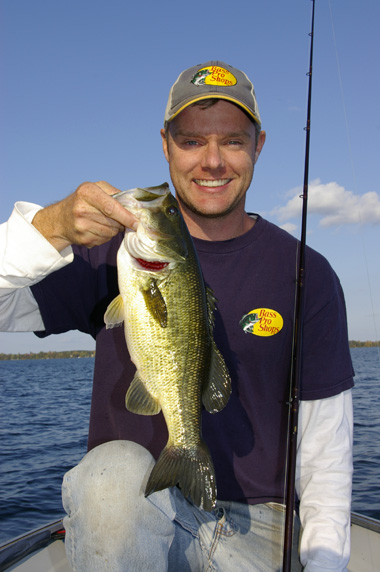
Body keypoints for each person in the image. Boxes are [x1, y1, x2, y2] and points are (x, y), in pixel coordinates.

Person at [0, 61, 354, 571]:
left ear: (259, 146)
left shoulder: (307, 274)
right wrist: (49, 227)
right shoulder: (107, 255)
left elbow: (327, 449)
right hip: (135, 518)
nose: (212, 161)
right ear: (165, 145)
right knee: (111, 477)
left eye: (233, 141)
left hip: (262, 532)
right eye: (191, 141)